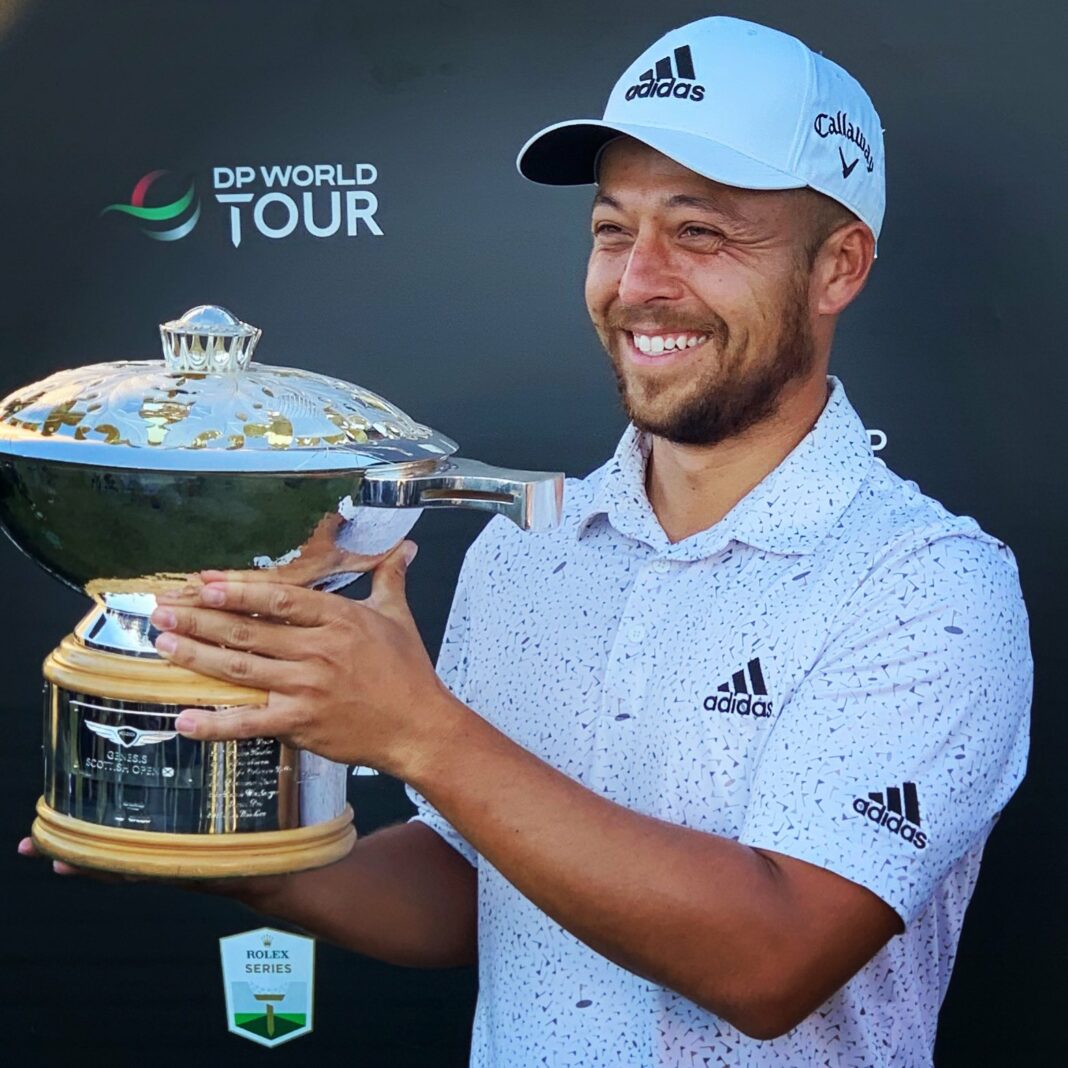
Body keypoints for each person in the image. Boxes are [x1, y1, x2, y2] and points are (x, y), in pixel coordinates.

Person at [21, 16, 1031, 1067]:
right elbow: (475, 886)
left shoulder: (929, 584)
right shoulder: (529, 552)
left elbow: (774, 962)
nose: (638, 281)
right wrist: (239, 860)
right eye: (611, 230)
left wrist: (417, 731)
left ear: (839, 268)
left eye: (703, 233)